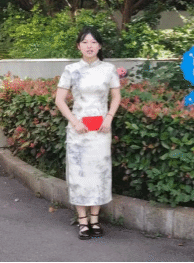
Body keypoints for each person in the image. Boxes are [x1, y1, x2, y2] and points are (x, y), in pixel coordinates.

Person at [55, 26, 121, 240]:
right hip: (79, 131)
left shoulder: (108, 69)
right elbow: (59, 100)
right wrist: (75, 122)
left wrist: (109, 117)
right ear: (78, 46)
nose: (89, 46)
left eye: (93, 42)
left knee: (99, 173)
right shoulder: (71, 70)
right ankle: (83, 222)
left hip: (101, 130)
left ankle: (95, 219)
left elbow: (116, 97)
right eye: (85, 42)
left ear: (99, 46)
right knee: (79, 175)